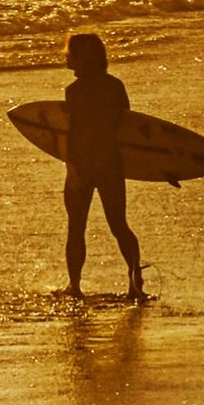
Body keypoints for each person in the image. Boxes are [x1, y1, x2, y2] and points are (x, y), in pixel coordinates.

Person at [61, 32, 145, 301]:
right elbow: (126, 129)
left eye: (70, 51)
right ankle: (135, 283)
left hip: (83, 166)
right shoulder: (115, 86)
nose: (66, 56)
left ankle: (75, 285)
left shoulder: (74, 91)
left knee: (76, 227)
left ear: (81, 57)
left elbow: (72, 135)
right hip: (111, 165)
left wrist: (71, 168)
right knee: (119, 224)